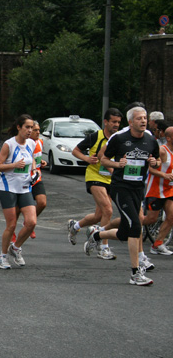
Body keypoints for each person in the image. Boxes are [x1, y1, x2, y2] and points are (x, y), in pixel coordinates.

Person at [85, 106, 160, 286]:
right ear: (131, 122)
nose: (143, 121)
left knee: (126, 233)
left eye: (145, 118)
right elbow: (103, 159)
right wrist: (118, 164)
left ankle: (97, 235)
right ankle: (136, 273)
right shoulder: (119, 139)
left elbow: (157, 161)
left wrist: (154, 162)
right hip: (120, 188)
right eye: (139, 118)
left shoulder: (150, 140)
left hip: (137, 189)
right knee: (136, 226)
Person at [68, 108, 122, 260]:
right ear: (106, 122)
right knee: (108, 210)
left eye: (118, 122)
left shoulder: (120, 138)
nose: (116, 125)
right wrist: (86, 159)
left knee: (99, 215)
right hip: (95, 175)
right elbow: (75, 151)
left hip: (111, 178)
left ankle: (76, 226)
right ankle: (103, 247)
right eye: (113, 122)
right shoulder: (95, 136)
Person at [0, 114, 37, 270]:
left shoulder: (31, 143)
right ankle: (2, 256)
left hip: (25, 188)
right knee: (11, 225)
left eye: (31, 127)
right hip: (9, 189)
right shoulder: (9, 145)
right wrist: (13, 165)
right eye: (27, 127)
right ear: (19, 127)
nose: (29, 130)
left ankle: (16, 247)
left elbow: (31, 161)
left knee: (31, 222)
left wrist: (34, 171)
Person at [143, 125, 173, 255]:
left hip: (169, 190)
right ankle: (124, 223)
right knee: (150, 220)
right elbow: (149, 169)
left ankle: (157, 244)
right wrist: (164, 175)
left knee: (172, 216)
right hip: (155, 190)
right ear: (168, 138)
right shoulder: (162, 151)